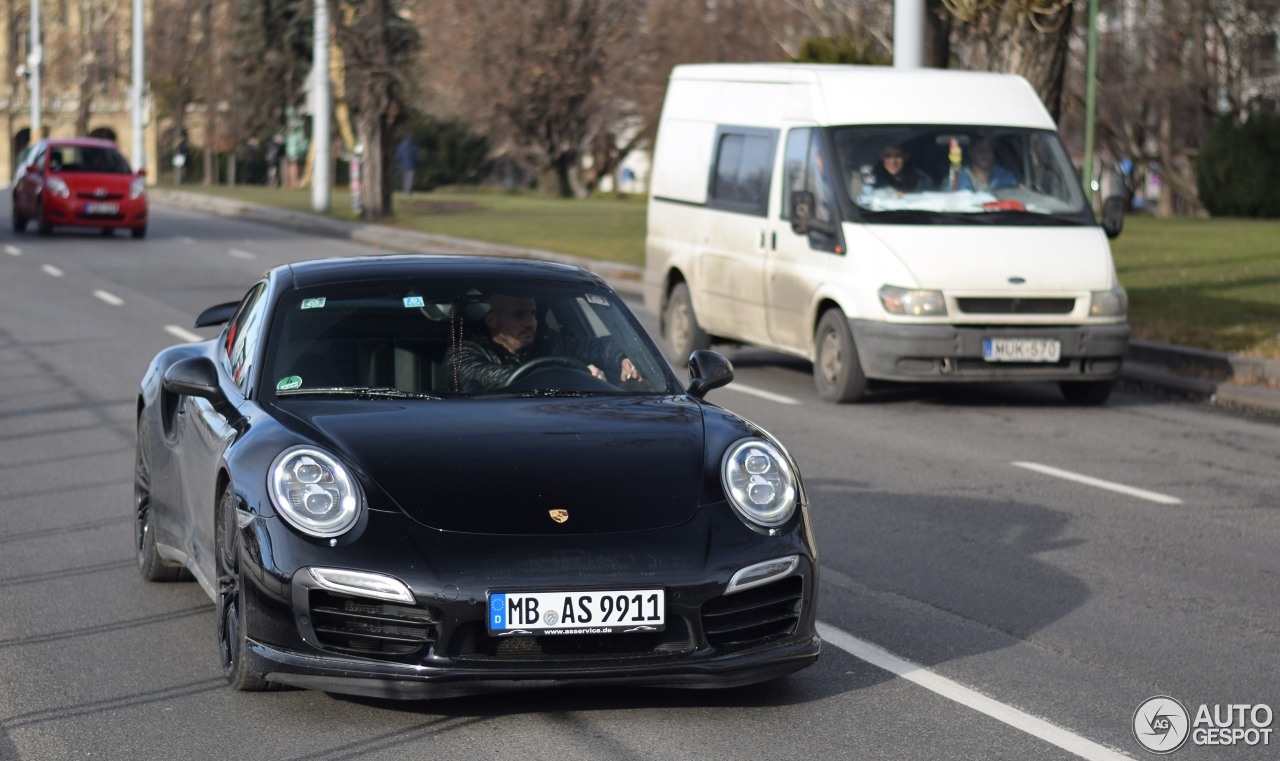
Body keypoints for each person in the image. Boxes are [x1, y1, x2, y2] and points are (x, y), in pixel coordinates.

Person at [446, 294, 641, 391]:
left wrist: (623, 357)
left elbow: (600, 347)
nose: (531, 322)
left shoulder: (550, 344)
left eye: (533, 314)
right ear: (492, 321)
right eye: (520, 315)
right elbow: (487, 377)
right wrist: (576, 376)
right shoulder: (465, 353)